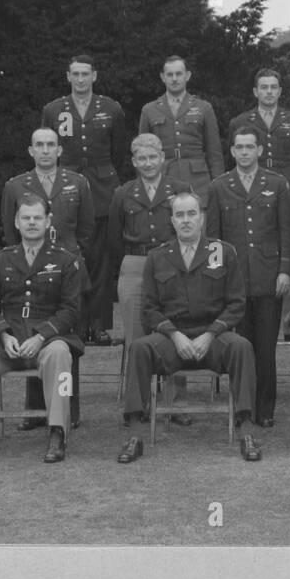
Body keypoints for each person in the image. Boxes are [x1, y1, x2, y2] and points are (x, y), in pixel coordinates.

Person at [118, 191, 262, 463]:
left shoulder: (221, 251)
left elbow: (236, 303)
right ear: (172, 220)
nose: (186, 220)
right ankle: (135, 434)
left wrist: (211, 334)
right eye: (180, 215)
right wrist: (174, 335)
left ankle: (246, 431)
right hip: (172, 339)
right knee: (139, 349)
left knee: (243, 348)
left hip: (213, 337)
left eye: (192, 214)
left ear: (202, 218)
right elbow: (149, 308)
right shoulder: (158, 256)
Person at [0, 194, 84, 466]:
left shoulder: (66, 260)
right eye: (26, 218)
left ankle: (58, 431)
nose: (32, 223)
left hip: (48, 340)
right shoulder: (1, 259)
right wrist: (3, 334)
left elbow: (71, 310)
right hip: (7, 342)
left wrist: (41, 336)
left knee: (60, 355)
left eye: (37, 218)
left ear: (48, 221)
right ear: (16, 222)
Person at [2, 127, 95, 427]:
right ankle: (35, 410)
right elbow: (8, 231)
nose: (45, 150)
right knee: (29, 333)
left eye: (50, 145)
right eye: (39, 145)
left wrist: (70, 257)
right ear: (31, 150)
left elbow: (87, 230)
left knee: (67, 346)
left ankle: (68, 407)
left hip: (68, 271)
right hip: (29, 270)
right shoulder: (16, 185)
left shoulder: (78, 182)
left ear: (59, 150)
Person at [207, 126, 290, 428]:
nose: (244, 152)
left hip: (270, 278)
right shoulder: (219, 186)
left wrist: (285, 269)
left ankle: (265, 408)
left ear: (260, 150)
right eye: (239, 147)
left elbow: (286, 231)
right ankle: (243, 406)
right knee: (240, 348)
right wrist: (217, 278)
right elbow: (214, 240)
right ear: (232, 151)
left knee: (266, 348)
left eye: (250, 147)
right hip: (234, 282)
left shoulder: (277, 183)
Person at [41, 53, 127, 345]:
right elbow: (48, 149)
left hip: (103, 191)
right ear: (68, 76)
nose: (80, 79)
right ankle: (72, 322)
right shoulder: (53, 110)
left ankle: (99, 324)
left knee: (100, 261)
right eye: (75, 74)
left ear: (94, 76)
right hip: (66, 194)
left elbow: (119, 154)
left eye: (85, 74)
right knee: (69, 260)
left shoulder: (111, 108)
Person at [107, 134, 193, 423]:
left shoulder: (179, 189)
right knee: (136, 337)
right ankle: (137, 404)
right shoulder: (123, 193)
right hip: (134, 262)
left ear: (162, 158)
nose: (147, 163)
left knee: (175, 330)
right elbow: (113, 238)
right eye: (141, 158)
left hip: (171, 263)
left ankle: (174, 405)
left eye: (152, 157)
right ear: (134, 161)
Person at [228, 68, 290, 340]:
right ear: (255, 91)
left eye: (273, 87)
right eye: (263, 87)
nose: (268, 91)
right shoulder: (240, 121)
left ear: (280, 91)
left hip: (287, 191)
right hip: (252, 194)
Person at [137, 55, 224, 204]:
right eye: (170, 75)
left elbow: (214, 152)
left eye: (179, 74)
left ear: (188, 76)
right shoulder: (149, 110)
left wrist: (219, 187)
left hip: (198, 181)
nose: (174, 78)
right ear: (162, 77)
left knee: (198, 224)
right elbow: (141, 153)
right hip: (163, 179)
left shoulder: (204, 108)